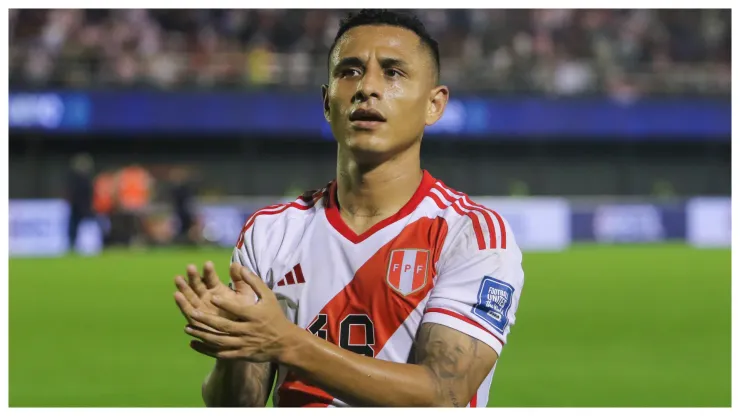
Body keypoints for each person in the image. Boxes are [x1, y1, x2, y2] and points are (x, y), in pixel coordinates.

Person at [173, 9, 525, 408]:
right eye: (350, 71)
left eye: (393, 72)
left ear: (434, 104)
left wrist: (286, 343)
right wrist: (235, 343)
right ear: (327, 103)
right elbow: (238, 404)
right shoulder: (271, 232)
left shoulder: (470, 234)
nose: (367, 87)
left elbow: (443, 394)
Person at [66, 153, 95, 252]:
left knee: (86, 228)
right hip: (77, 207)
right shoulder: (76, 180)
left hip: (83, 208)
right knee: (74, 228)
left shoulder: (85, 180)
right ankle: (73, 245)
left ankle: (89, 245)